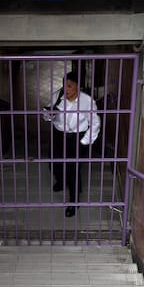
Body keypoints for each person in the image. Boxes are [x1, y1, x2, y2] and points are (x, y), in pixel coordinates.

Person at [42, 71, 100, 217]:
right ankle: (61, 180)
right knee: (54, 162)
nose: (65, 89)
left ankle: (74, 202)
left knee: (73, 170)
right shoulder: (58, 96)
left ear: (78, 87)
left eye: (69, 86)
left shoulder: (87, 101)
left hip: (77, 137)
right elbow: (46, 115)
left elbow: (95, 123)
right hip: (59, 135)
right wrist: (49, 114)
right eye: (64, 85)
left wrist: (84, 142)